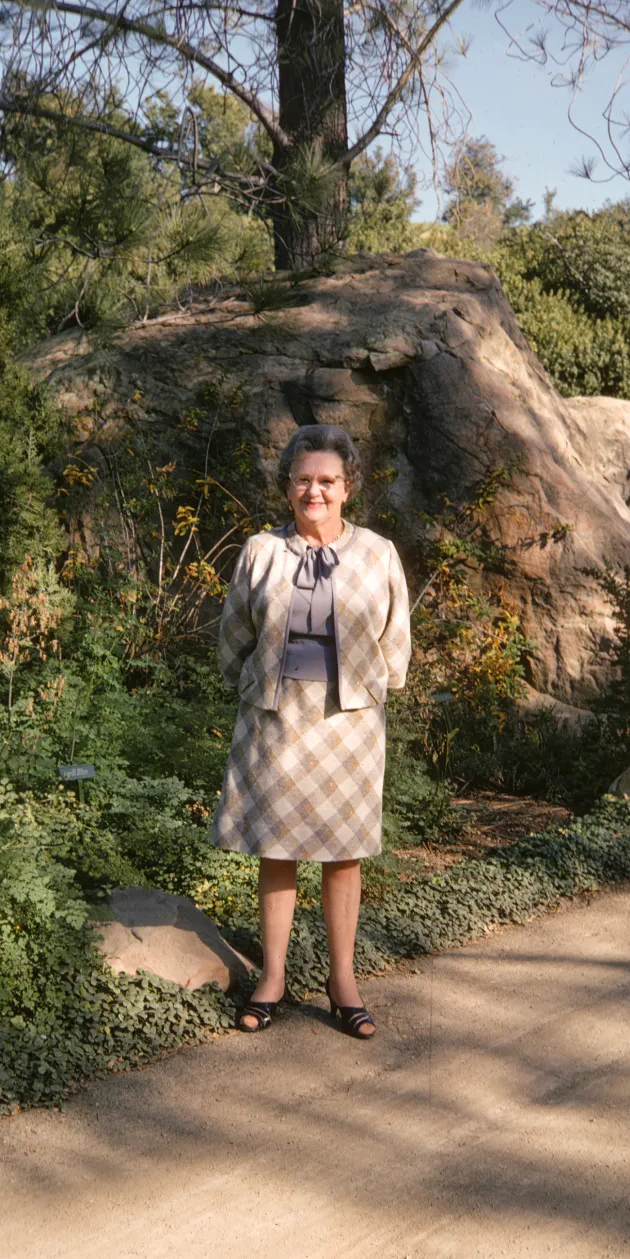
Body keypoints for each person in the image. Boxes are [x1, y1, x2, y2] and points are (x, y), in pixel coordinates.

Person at [211, 424, 411, 1038]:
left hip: (347, 722)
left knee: (342, 850)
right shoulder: (260, 551)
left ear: (348, 486)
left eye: (327, 480)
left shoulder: (378, 553)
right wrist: (241, 683)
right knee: (276, 846)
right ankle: (272, 977)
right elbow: (234, 631)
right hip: (276, 718)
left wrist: (377, 686)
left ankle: (342, 980)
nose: (314, 491)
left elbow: (393, 636)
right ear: (288, 486)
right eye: (303, 480)